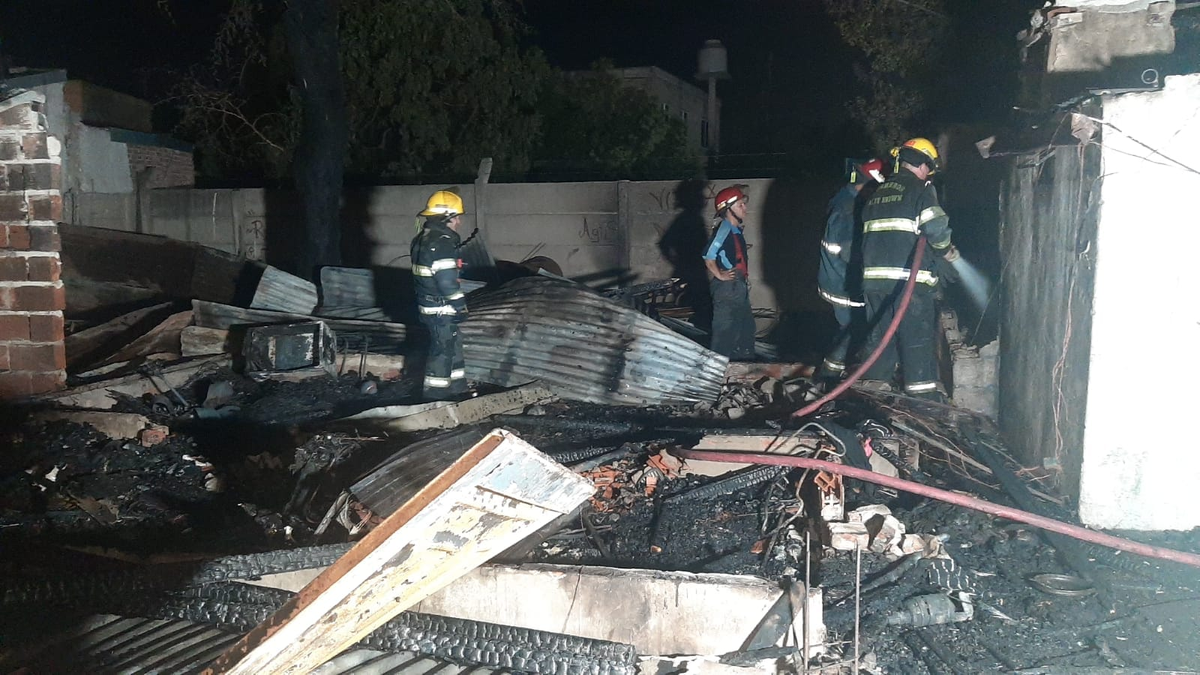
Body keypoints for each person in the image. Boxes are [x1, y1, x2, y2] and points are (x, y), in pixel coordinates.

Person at [858, 138, 960, 399]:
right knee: (917, 344)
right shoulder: (920, 190)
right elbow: (936, 228)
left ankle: (874, 400)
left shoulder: (876, 194)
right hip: (908, 287)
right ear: (923, 164)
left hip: (874, 286)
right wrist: (947, 252)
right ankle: (923, 404)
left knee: (880, 343)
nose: (929, 173)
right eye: (929, 167)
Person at [814, 158, 887, 385]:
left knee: (851, 328)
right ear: (868, 185)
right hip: (843, 284)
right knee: (853, 329)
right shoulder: (848, 210)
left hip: (837, 280)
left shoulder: (845, 199)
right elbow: (847, 255)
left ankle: (833, 374)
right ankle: (829, 377)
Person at [411, 190, 469, 400]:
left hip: (430, 305)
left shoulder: (422, 239)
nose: (459, 222)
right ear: (446, 217)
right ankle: (435, 396)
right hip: (441, 308)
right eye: (456, 217)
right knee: (442, 350)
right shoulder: (442, 243)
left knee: (453, 344)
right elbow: (446, 282)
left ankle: (458, 389)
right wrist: (460, 305)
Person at [702, 185, 756, 360]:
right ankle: (717, 374)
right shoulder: (724, 229)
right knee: (724, 334)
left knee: (746, 329)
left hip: (737, 285)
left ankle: (741, 371)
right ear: (728, 209)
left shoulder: (735, 230)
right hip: (728, 288)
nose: (745, 208)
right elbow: (708, 256)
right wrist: (720, 275)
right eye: (740, 205)